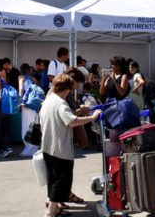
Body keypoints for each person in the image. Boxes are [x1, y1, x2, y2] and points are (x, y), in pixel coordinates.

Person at [40, 73, 101, 217]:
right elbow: (72, 121)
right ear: (66, 89)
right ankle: (50, 212)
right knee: (61, 181)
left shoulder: (49, 100)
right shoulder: (61, 103)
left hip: (47, 147)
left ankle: (55, 208)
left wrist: (78, 112)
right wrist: (92, 117)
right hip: (60, 148)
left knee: (52, 179)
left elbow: (63, 117)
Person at [19, 63, 41, 157]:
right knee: (34, 125)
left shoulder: (21, 77)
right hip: (35, 105)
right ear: (29, 70)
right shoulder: (33, 79)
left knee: (26, 125)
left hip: (26, 105)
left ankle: (28, 148)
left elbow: (21, 89)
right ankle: (34, 147)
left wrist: (20, 101)